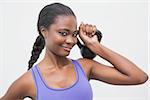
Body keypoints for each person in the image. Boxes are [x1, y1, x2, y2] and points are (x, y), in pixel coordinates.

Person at [0, 3, 148, 100]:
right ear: (44, 31)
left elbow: (139, 77)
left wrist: (96, 47)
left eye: (74, 34)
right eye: (63, 33)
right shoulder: (28, 81)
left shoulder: (84, 67)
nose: (71, 40)